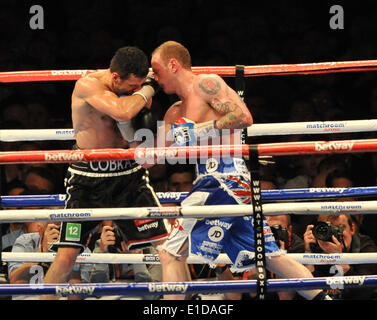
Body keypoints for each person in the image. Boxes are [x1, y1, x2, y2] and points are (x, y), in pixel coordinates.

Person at [151, 40, 331, 300]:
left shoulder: (206, 83)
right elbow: (151, 156)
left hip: (222, 181)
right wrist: (139, 98)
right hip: (225, 186)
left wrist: (200, 129)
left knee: (171, 251)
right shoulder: (174, 112)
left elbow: (243, 116)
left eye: (156, 70)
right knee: (273, 257)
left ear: (173, 64)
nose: (155, 78)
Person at [42, 46, 169, 299]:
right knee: (67, 254)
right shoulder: (88, 86)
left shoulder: (136, 91)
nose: (135, 91)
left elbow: (133, 118)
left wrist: (141, 92)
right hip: (88, 177)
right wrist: (148, 88)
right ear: (115, 77)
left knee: (167, 247)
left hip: (128, 175)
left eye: (140, 85)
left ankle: (177, 303)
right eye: (131, 86)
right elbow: (122, 111)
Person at [8, 222, 90, 300]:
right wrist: (42, 252)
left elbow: (76, 298)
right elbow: (14, 282)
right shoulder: (26, 241)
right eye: (53, 228)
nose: (58, 233)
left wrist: (70, 256)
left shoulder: (81, 248)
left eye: (62, 228)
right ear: (40, 230)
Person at [303, 213, 377, 299]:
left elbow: (363, 293)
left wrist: (338, 259)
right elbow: (305, 292)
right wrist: (308, 252)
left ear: (352, 229)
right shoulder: (314, 246)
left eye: (340, 227)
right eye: (328, 229)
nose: (334, 234)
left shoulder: (366, 248)